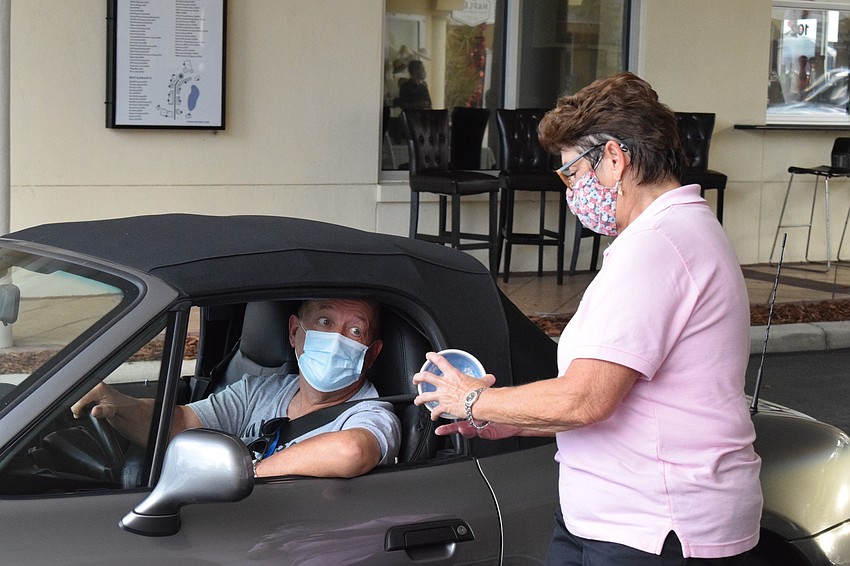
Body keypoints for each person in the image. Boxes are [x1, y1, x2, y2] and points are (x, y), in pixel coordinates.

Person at [413, 72, 762, 564]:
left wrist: (471, 397)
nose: (571, 190)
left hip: (653, 526)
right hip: (617, 516)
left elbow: (586, 398)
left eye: (572, 174)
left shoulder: (657, 247)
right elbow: (615, 400)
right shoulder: (672, 232)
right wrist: (505, 418)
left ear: (615, 159)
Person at [73, 298, 401, 479]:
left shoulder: (371, 413)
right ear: (294, 333)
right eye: (325, 322)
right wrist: (117, 405)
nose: (336, 340)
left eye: (355, 330)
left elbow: (353, 451)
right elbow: (182, 423)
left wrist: (247, 473)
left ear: (370, 354)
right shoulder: (260, 390)